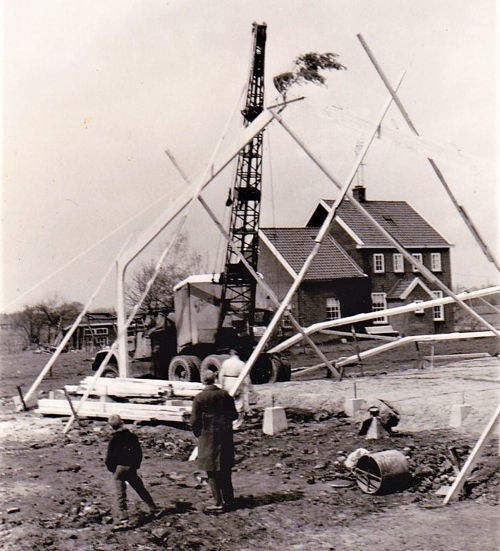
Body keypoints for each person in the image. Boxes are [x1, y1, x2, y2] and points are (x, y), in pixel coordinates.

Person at [190, 370, 238, 513]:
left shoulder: (199, 398)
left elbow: (194, 421)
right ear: (215, 378)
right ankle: (229, 500)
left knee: (211, 471)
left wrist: (198, 434)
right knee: (225, 469)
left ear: (202, 380)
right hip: (225, 437)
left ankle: (218, 502)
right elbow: (234, 415)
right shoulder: (225, 395)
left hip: (208, 437)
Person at [105, 414, 159, 528]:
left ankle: (123, 518)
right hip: (130, 467)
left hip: (119, 469)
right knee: (139, 487)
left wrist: (112, 469)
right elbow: (138, 453)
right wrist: (135, 465)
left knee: (121, 494)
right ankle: (153, 508)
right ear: (122, 422)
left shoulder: (113, 439)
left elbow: (109, 458)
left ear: (111, 426)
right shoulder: (132, 436)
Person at [219, 349, 252, 428]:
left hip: (227, 381)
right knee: (238, 401)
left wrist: (222, 384)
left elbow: (221, 375)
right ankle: (236, 422)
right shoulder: (241, 364)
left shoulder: (225, 362)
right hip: (236, 382)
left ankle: (227, 420)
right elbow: (245, 376)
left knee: (227, 401)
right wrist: (248, 386)